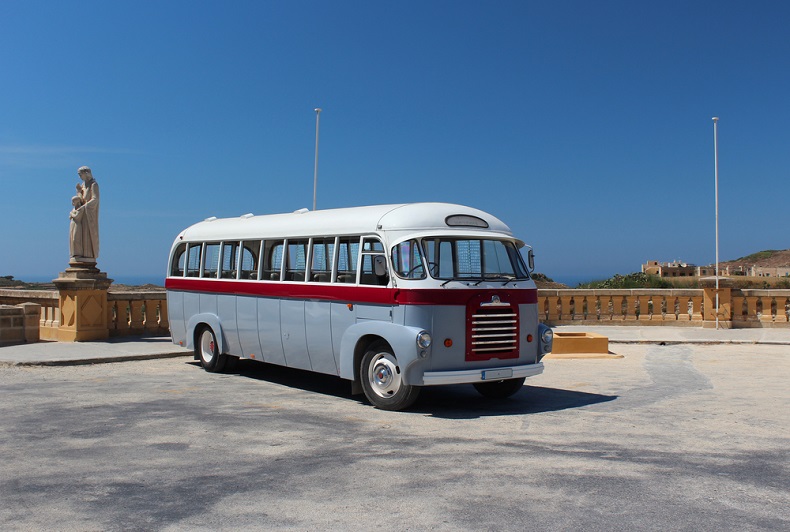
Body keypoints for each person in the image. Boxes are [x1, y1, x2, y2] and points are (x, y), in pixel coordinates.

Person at [68, 166, 100, 264]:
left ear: (86, 173)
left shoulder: (93, 184)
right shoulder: (83, 185)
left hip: (88, 214)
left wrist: (84, 207)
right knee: (76, 236)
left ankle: (87, 256)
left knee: (86, 236)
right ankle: (78, 254)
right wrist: (78, 191)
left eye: (80, 174)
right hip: (81, 215)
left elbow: (95, 199)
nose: (79, 176)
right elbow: (81, 200)